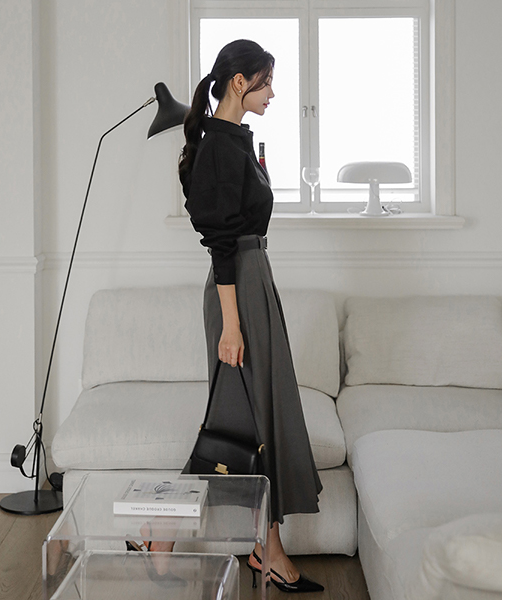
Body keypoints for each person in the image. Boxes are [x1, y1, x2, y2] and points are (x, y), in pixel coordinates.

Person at [145, 39, 324, 594]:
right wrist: (231, 323)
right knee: (238, 423)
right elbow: (221, 243)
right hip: (237, 291)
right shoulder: (219, 146)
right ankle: (172, 533)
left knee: (256, 420)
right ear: (239, 82)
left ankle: (259, 545)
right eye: (266, 82)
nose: (273, 93)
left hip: (253, 281)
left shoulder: (233, 139)